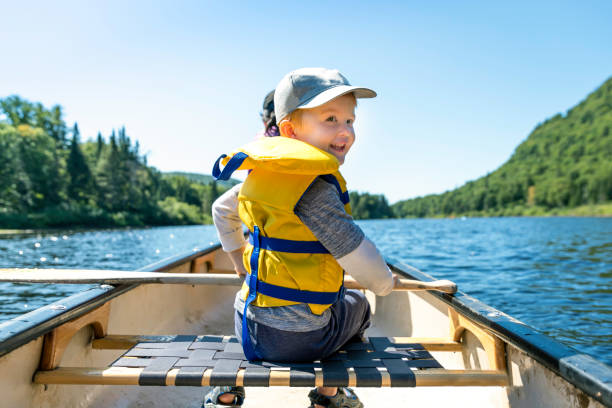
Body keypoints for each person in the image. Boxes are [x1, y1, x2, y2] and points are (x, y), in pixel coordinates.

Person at [205, 68, 396, 408]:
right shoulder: (315, 188)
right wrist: (385, 284)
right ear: (290, 130)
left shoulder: (260, 176)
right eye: (331, 119)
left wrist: (238, 262)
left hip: (247, 325)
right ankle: (329, 395)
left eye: (350, 121)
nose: (345, 131)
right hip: (299, 339)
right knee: (361, 306)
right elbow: (366, 266)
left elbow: (222, 209)